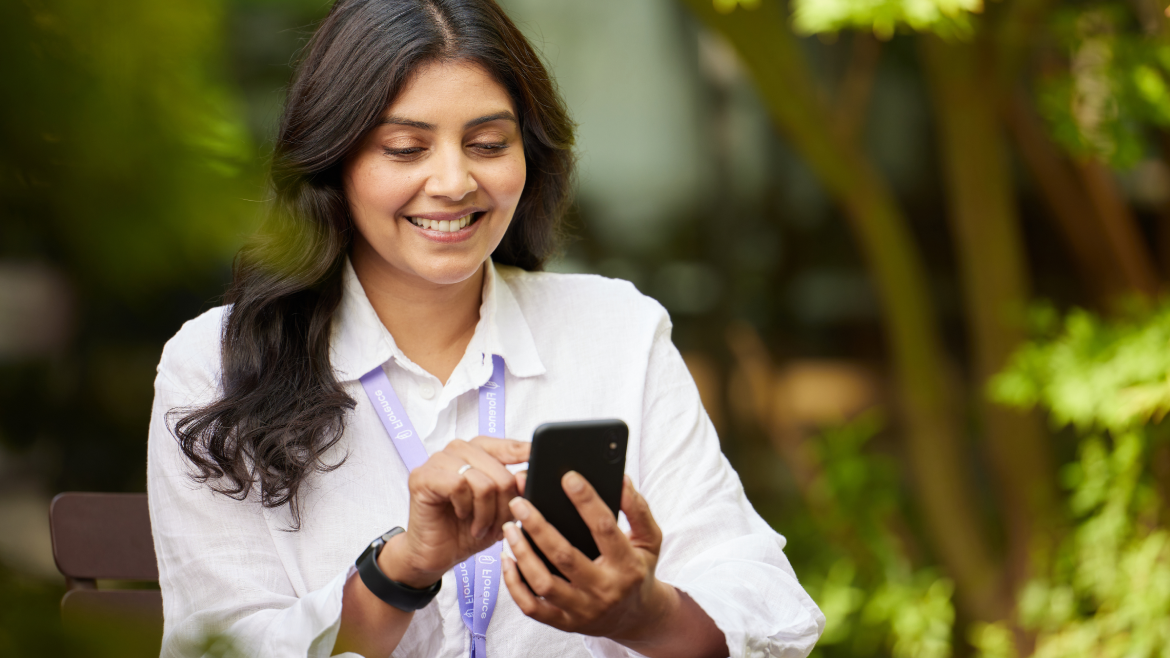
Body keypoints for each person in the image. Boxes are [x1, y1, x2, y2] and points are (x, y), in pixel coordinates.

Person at [146, 0, 825, 656]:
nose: (453, 181)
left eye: (488, 143)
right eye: (407, 148)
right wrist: (401, 569)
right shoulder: (216, 363)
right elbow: (217, 650)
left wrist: (642, 614)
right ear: (334, 161)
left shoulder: (617, 330)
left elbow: (762, 597)